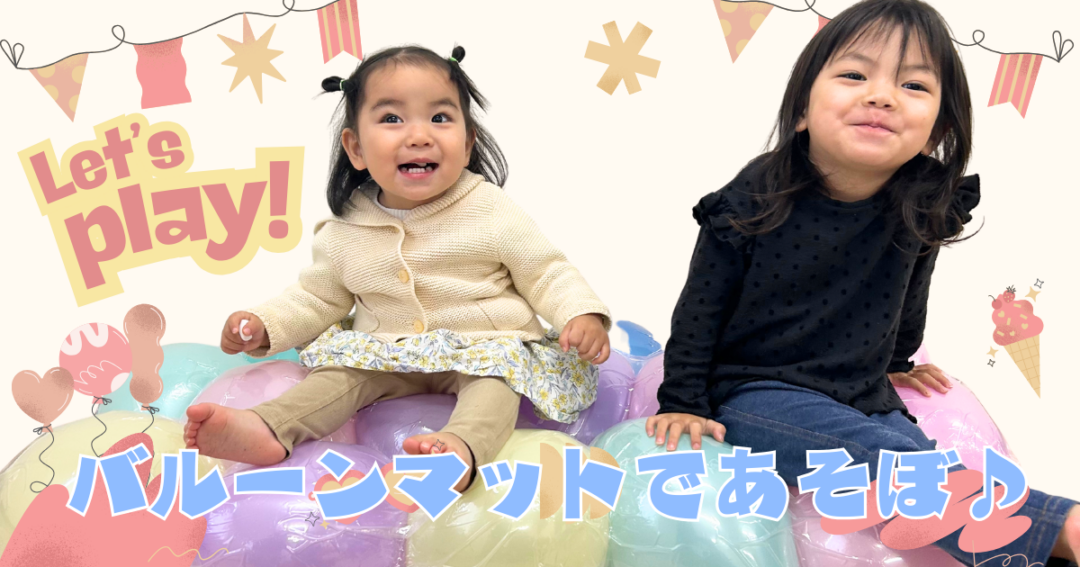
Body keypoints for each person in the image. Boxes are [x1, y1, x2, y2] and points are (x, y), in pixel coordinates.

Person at [645, 0, 1079, 564]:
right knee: (886, 462)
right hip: (756, 393)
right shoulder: (755, 197)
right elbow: (699, 308)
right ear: (802, 112)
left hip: (861, 393)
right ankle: (1058, 526)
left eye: (913, 86)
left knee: (913, 455)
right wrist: (683, 401)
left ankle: (1032, 550)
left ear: (938, 129)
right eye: (854, 75)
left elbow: (910, 291)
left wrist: (898, 361)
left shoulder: (923, 199)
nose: (881, 96)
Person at [184, 45, 612, 493]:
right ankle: (268, 427)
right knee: (338, 376)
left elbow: (545, 271)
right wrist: (265, 324)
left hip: (484, 345)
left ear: (467, 144)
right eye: (392, 118)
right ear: (356, 148)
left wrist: (580, 314)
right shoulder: (348, 225)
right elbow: (317, 297)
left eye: (440, 118)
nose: (419, 136)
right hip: (387, 351)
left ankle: (462, 448)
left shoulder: (488, 208)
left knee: (496, 382)